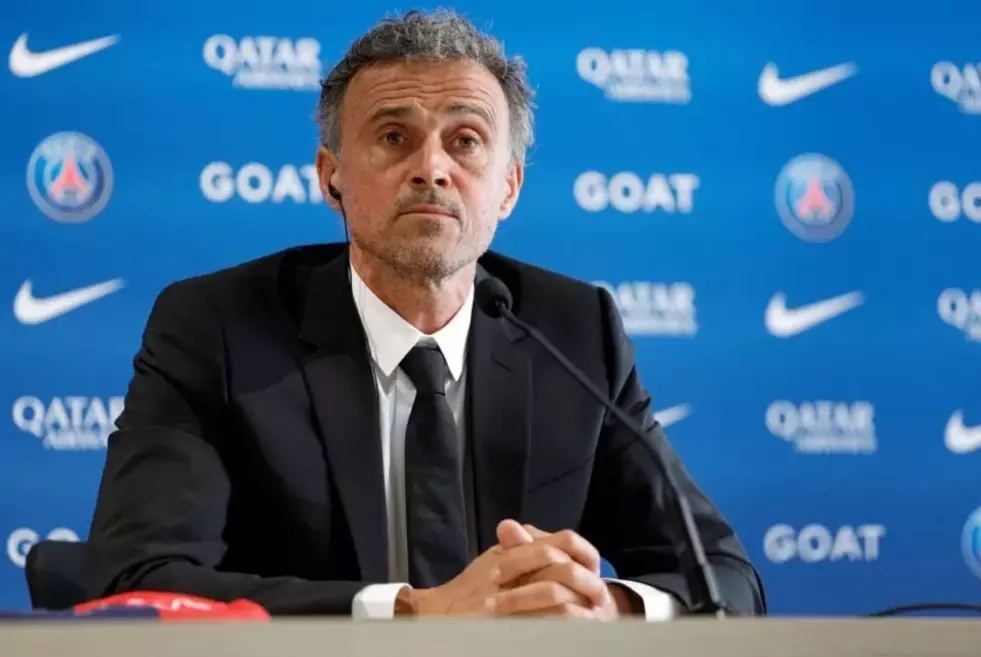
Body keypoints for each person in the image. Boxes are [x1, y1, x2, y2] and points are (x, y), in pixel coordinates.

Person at [86, 9, 766, 619]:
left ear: (509, 187)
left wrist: (602, 605)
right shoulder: (217, 329)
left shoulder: (575, 332)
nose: (431, 168)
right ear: (331, 176)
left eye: (466, 141)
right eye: (393, 137)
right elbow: (137, 578)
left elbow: (726, 578)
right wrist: (411, 611)